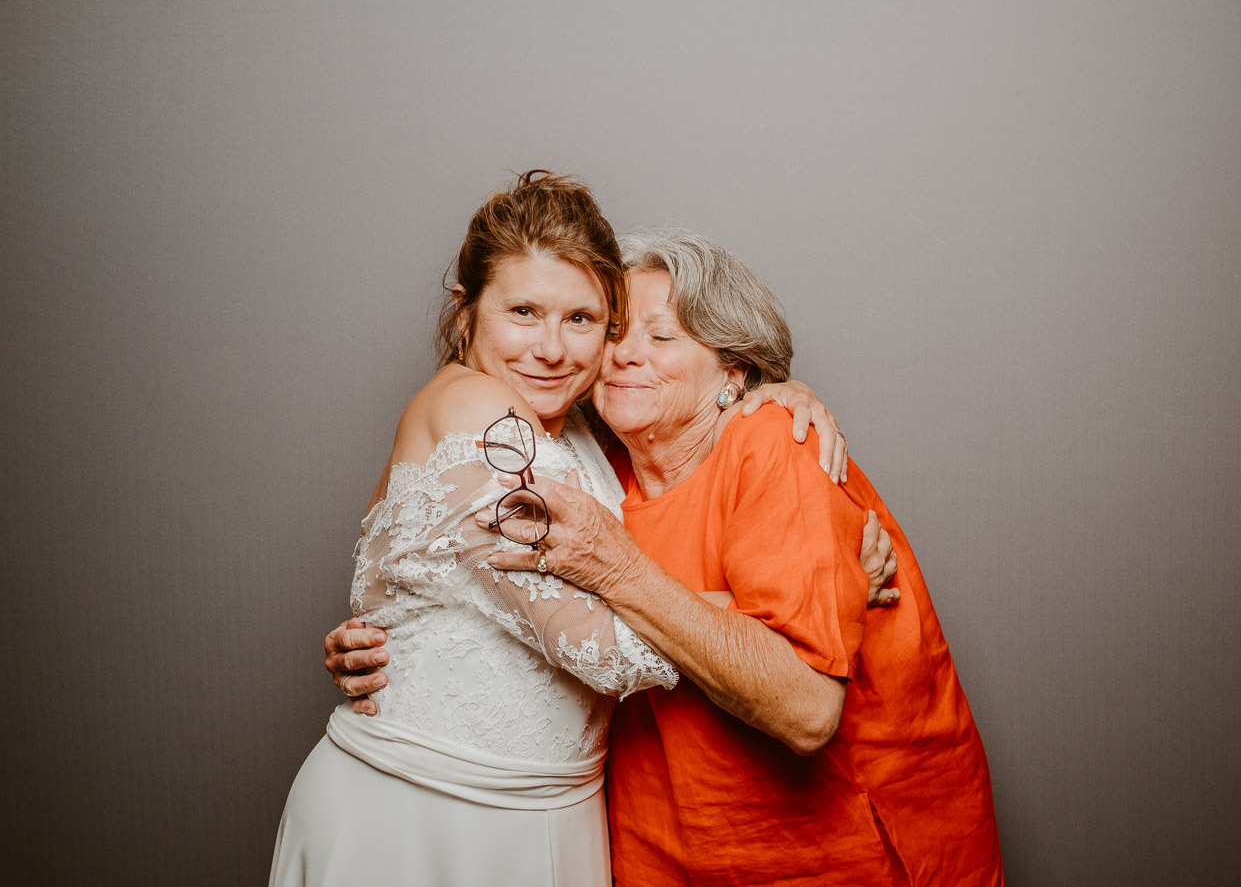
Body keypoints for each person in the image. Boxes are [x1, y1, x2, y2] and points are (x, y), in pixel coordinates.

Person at [331, 228, 1004, 885]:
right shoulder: (598, 471)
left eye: (663, 336)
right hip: (652, 846)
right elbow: (471, 564)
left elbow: (806, 710)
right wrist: (408, 628)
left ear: (732, 372)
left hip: (830, 854)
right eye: (618, 332)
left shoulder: (775, 445)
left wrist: (784, 397)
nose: (624, 355)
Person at [272, 172, 881, 887]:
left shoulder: (577, 426)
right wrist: (824, 590)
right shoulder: (479, 415)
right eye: (523, 311)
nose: (553, 350)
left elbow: (686, 400)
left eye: (584, 320)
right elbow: (604, 650)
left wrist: (774, 389)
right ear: (467, 312)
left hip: (554, 812)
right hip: (428, 809)